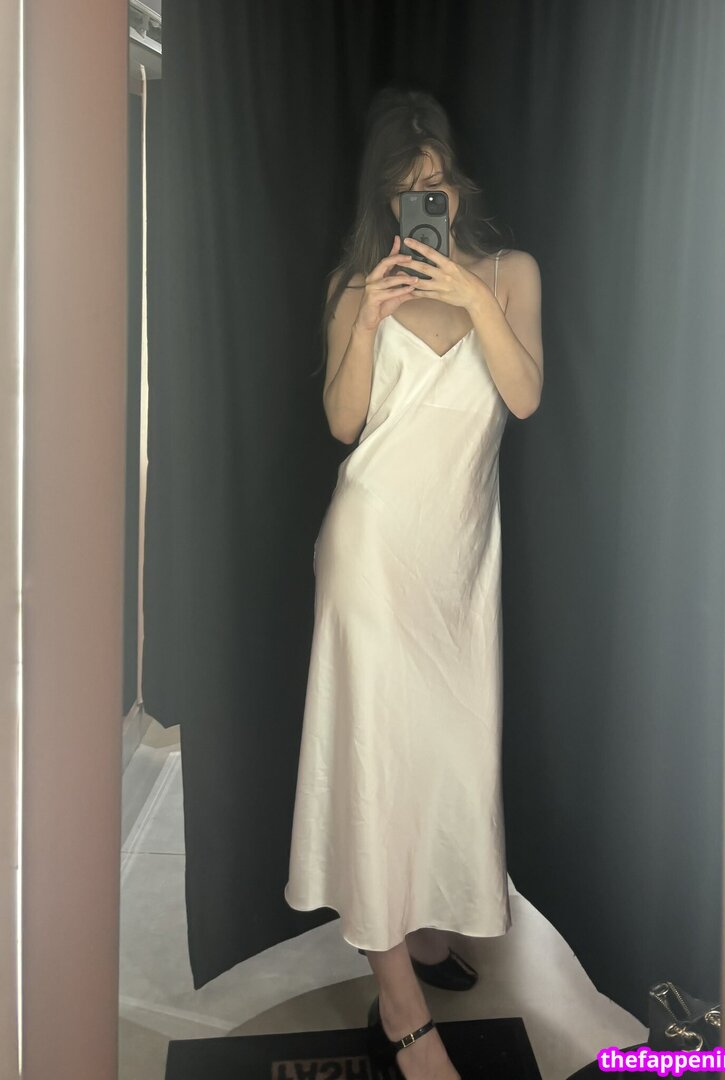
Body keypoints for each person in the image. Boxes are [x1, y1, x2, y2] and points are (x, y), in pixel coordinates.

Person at [284, 87, 543, 1080]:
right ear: (383, 200)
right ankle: (400, 1004)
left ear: (457, 184)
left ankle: (424, 928)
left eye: (437, 184)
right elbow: (343, 423)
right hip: (372, 553)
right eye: (406, 190)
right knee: (375, 765)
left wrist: (473, 298)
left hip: (457, 567)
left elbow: (524, 395)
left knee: (446, 756)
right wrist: (365, 321)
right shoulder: (356, 284)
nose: (426, 202)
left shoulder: (509, 274)